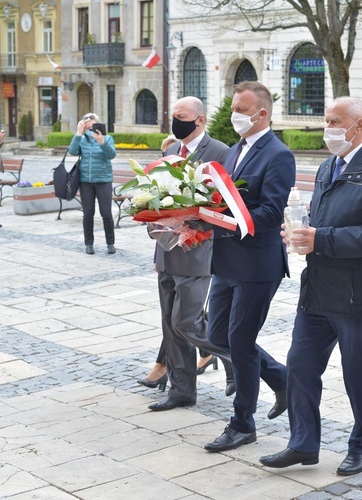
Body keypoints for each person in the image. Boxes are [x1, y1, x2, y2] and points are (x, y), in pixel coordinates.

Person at [259, 97, 362, 476]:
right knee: (300, 366)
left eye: (335, 121)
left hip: (358, 294)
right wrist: (300, 232)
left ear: (359, 126)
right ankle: (303, 443)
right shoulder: (328, 166)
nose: (328, 128)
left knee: (358, 374)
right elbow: (320, 221)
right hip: (318, 291)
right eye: (326, 120)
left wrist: (320, 238)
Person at [203, 81, 294, 452]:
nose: (234, 115)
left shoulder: (278, 155)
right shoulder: (233, 151)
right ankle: (282, 378)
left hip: (258, 264)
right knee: (216, 336)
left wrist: (223, 221)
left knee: (240, 342)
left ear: (262, 113)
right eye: (233, 108)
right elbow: (220, 199)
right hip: (226, 261)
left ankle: (243, 424)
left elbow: (272, 212)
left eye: (242, 109)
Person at [144, 96, 231, 411]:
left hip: (197, 249)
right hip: (167, 250)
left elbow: (224, 203)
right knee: (169, 323)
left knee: (186, 321)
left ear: (200, 119)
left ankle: (229, 353)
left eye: (181, 116)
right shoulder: (170, 151)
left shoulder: (220, 152)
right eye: (173, 115)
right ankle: (181, 391)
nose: (175, 120)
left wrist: (194, 220)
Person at [68, 113, 117, 255]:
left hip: (103, 181)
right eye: (86, 122)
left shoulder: (107, 138)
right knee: (88, 213)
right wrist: (78, 133)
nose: (90, 125)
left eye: (92, 122)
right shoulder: (82, 139)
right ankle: (88, 243)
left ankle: (110, 243)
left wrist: (102, 142)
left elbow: (111, 155)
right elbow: (72, 151)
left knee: (106, 213)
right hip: (86, 182)